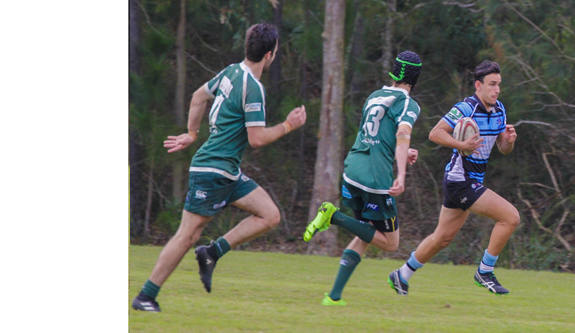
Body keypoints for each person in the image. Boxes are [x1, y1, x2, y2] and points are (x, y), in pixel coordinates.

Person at [131, 23, 307, 312]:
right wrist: (289, 125)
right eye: (275, 52)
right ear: (269, 55)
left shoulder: (230, 72)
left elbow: (198, 96)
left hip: (227, 171)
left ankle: (212, 253)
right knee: (187, 235)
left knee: (270, 215)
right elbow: (257, 139)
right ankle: (146, 296)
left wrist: (192, 133)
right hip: (213, 170)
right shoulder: (253, 88)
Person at [388, 60, 519, 297]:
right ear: (478, 85)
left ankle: (402, 274)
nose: (497, 89)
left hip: (468, 181)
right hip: (460, 180)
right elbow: (435, 133)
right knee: (510, 217)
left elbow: (503, 148)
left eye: (499, 84)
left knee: (442, 238)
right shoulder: (466, 108)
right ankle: (485, 271)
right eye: (492, 84)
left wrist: (508, 141)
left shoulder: (499, 109)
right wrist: (461, 145)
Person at [303, 51, 423, 306]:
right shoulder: (408, 103)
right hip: (375, 180)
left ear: (394, 71)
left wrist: (403, 153)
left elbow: (376, 138)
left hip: (352, 172)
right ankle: (333, 216)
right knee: (390, 243)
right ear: (415, 78)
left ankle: (333, 296)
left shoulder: (375, 96)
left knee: (366, 233)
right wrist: (401, 174)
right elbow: (402, 134)